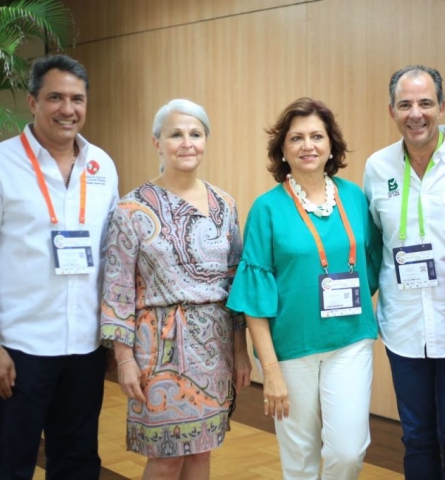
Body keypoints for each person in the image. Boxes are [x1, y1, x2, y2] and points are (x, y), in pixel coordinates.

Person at [0, 54, 119, 479]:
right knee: (11, 463)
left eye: (77, 98)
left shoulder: (102, 166)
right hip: (20, 347)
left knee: (77, 462)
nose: (68, 108)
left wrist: (113, 337)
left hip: (85, 347)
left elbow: (114, 256)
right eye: (55, 97)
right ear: (32, 102)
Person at [226, 97, 382, 479]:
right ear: (283, 148)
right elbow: (254, 297)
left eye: (317, 136)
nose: (307, 145)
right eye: (296, 138)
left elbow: (372, 265)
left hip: (350, 341)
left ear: (332, 144)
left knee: (348, 451)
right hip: (291, 352)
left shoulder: (354, 197)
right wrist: (272, 371)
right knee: (300, 459)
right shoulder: (267, 208)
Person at [101, 98, 251, 480]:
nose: (187, 143)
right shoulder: (131, 209)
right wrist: (123, 359)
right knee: (166, 458)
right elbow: (117, 291)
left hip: (214, 348)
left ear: (205, 140)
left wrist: (240, 352)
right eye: (176, 134)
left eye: (196, 134)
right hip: (158, 350)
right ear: (157, 143)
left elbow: (235, 283)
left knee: (201, 453)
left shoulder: (226, 204)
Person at [363, 65, 445, 479]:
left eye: (426, 103)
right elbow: (373, 242)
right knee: (415, 438)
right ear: (392, 111)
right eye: (405, 104)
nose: (416, 113)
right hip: (404, 326)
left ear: (442, 107)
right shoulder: (377, 167)